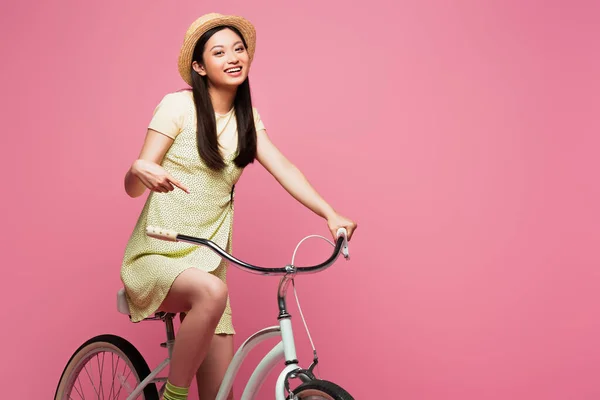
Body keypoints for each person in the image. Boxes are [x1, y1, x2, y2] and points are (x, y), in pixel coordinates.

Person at [120, 12, 357, 400]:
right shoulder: (177, 107)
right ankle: (173, 396)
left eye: (238, 49)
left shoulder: (246, 119)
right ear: (199, 66)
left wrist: (330, 214)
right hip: (157, 253)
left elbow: (284, 169)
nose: (233, 57)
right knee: (213, 293)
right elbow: (133, 186)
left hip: (209, 264)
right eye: (219, 52)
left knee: (221, 394)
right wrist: (138, 167)